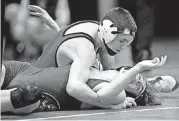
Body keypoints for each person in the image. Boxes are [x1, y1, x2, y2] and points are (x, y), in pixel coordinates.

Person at [28, 5, 137, 107]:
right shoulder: (86, 50)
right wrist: (109, 105)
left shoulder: (95, 28)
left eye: (127, 43)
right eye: (122, 40)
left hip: (37, 77)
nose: (124, 46)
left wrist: (55, 27)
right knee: (117, 95)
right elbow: (74, 88)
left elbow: (70, 43)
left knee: (104, 61)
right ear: (108, 31)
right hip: (38, 93)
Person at [2, 55, 176, 114]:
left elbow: (102, 96)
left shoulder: (117, 96)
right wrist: (53, 25)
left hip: (34, 97)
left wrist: (139, 67)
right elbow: (72, 46)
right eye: (140, 77)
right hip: (21, 71)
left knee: (29, 94)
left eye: (139, 86)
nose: (138, 79)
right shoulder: (96, 64)